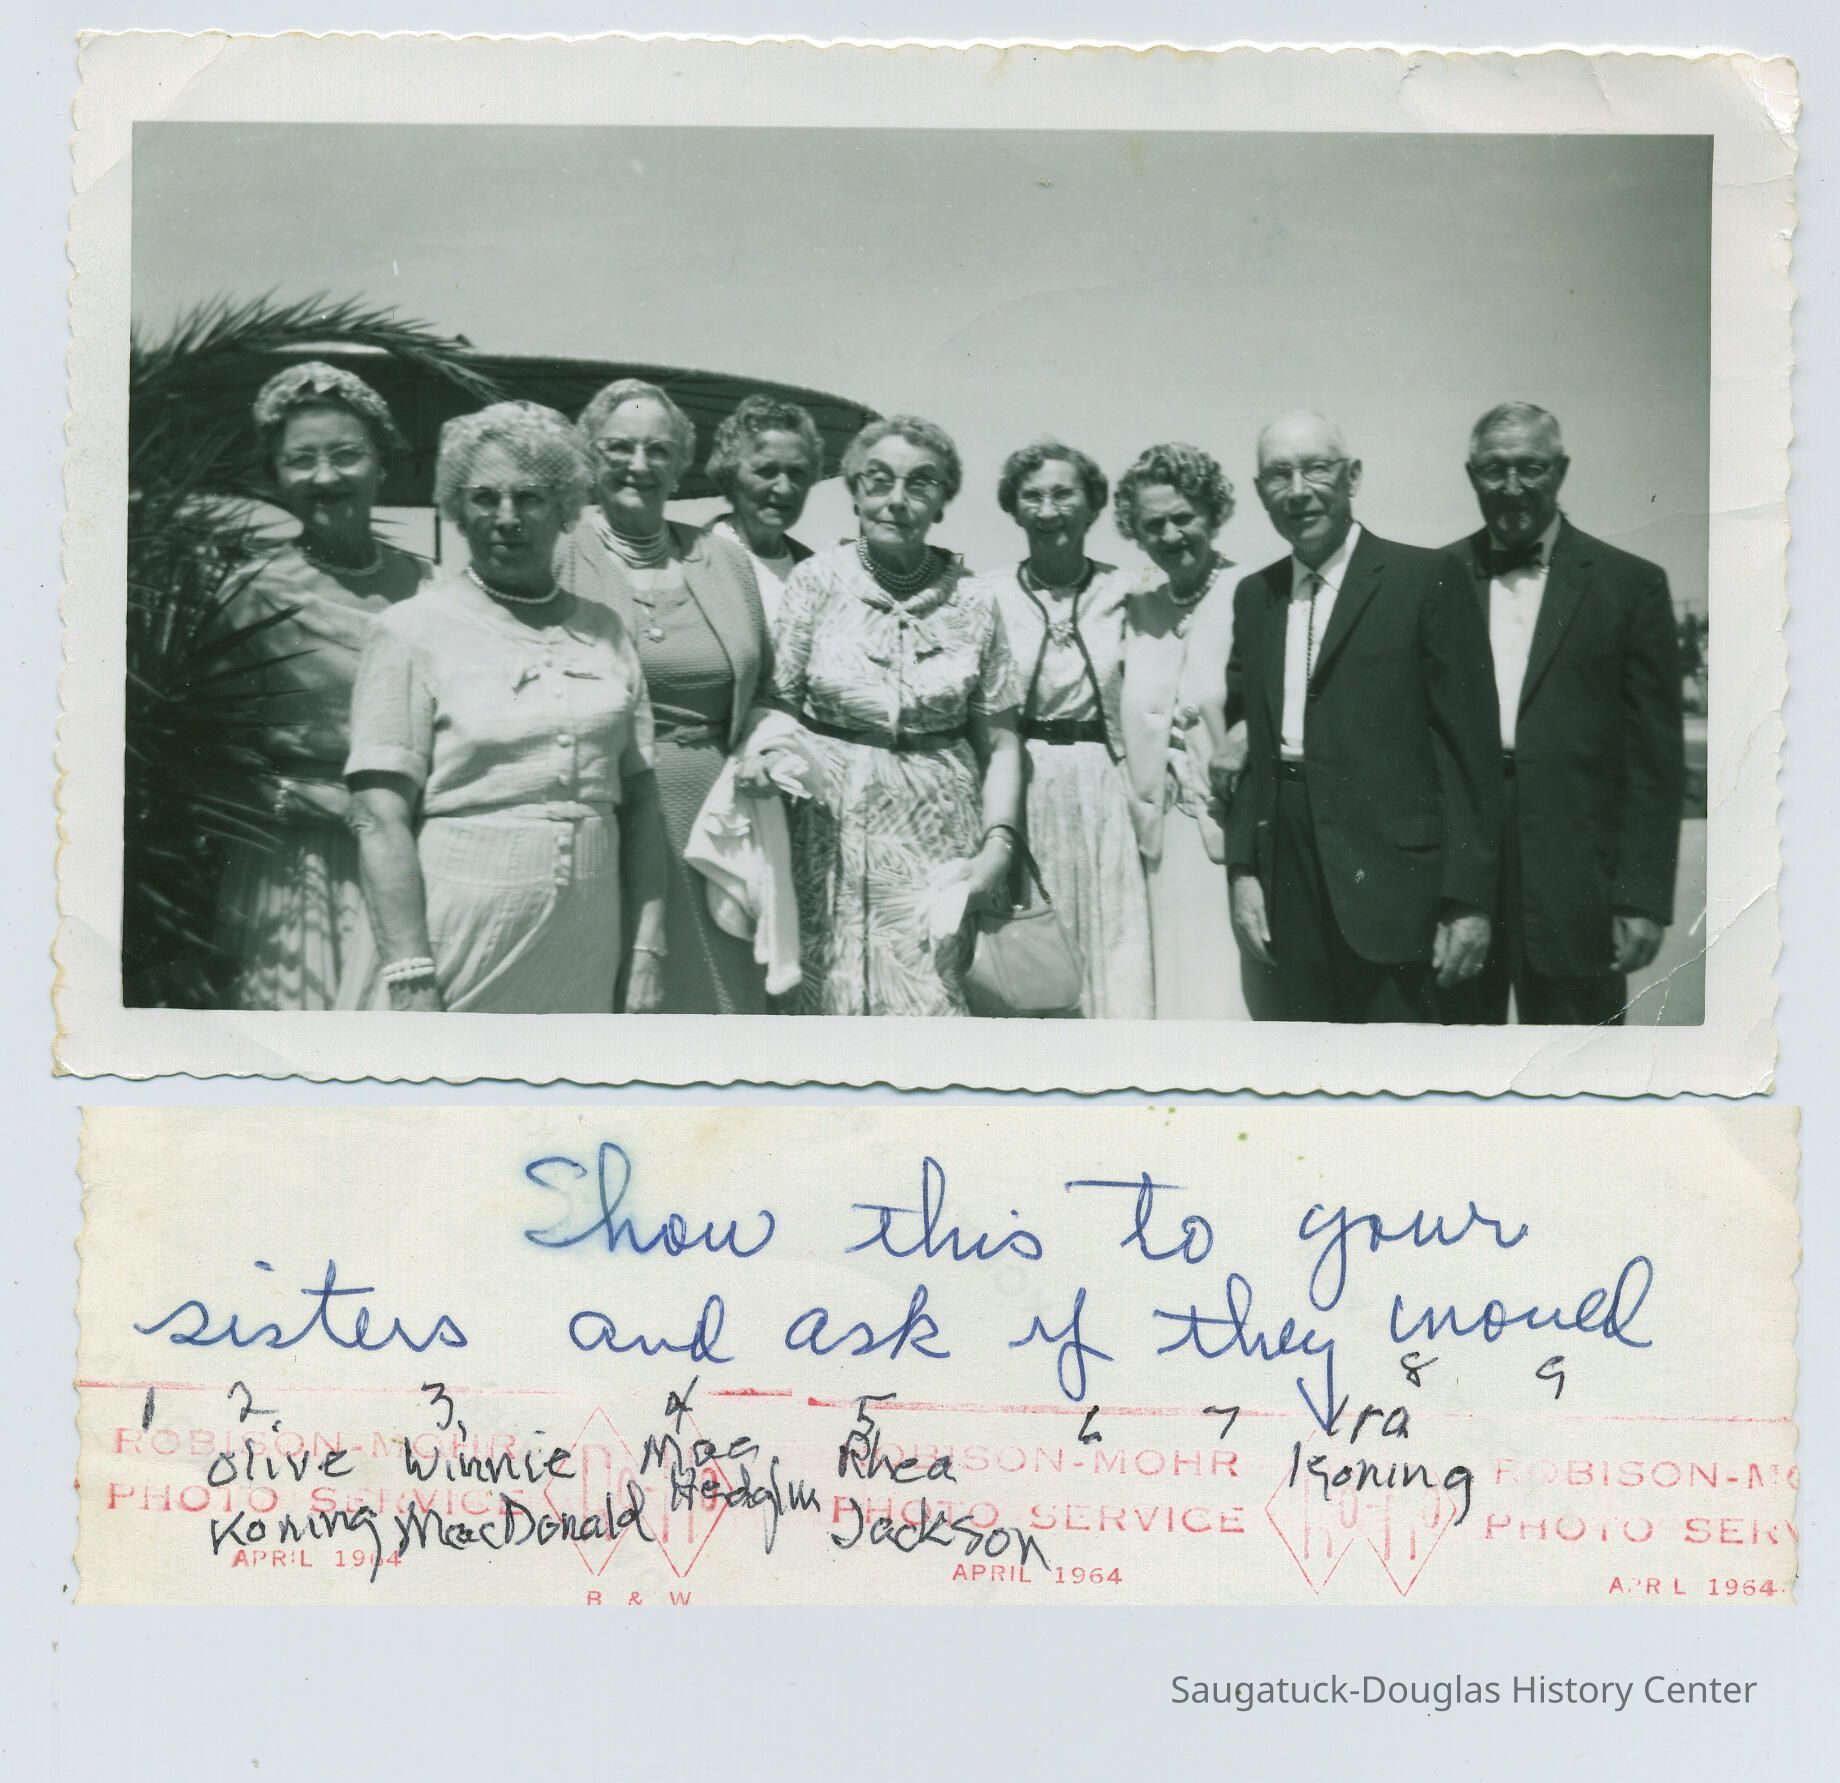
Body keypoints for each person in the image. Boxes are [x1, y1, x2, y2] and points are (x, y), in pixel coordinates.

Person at [345, 401, 668, 1014]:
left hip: (588, 941)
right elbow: (377, 815)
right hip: (457, 932)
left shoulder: (605, 630)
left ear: (566, 507)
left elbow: (643, 802)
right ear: (456, 510)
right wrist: (411, 976)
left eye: (530, 498)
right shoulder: (410, 629)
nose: (507, 518)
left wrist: (647, 949)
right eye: (484, 498)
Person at [1225, 411, 1501, 1023]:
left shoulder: (1426, 578)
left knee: (1398, 1067)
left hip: (1395, 885)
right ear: (1259, 492)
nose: (1298, 491)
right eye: (1279, 475)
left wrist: (1469, 900)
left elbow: (1470, 755)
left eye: (1316, 469)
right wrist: (1242, 871)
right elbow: (1247, 755)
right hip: (1286, 880)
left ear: (1352, 476)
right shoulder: (1255, 597)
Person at [766, 414, 1024, 1015]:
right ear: (854, 490)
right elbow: (775, 710)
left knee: (931, 1003)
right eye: (878, 480)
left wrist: (998, 849)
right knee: (826, 1008)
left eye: (921, 483)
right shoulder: (814, 582)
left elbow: (1003, 744)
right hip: (826, 840)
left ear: (944, 500)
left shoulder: (975, 599)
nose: (897, 500)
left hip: (938, 842)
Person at [1440, 401, 1684, 1024]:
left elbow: (1655, 761)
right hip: (1458, 878)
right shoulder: (1433, 579)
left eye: (1531, 467)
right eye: (1494, 469)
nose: (1512, 485)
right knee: (1452, 1063)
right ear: (1471, 475)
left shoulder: (1631, 586)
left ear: (1562, 471)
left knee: (1581, 1065)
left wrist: (1642, 896)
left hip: (1578, 879)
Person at [212, 361, 431, 1010]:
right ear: (275, 476)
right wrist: (328, 808)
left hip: (422, 854)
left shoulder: (437, 589)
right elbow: (210, 757)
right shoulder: (250, 594)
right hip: (300, 867)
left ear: (382, 464)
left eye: (346, 455)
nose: (326, 476)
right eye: (301, 460)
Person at [555, 378, 773, 1014]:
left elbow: (771, 690)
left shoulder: (725, 562)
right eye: (619, 447)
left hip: (720, 830)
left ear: (681, 466)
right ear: (588, 456)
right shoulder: (558, 555)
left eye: (659, 450)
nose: (639, 465)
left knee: (722, 1013)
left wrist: (766, 743)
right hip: (610, 819)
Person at [968, 440, 1152, 1019]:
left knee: (1114, 943)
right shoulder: (986, 593)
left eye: (1063, 494)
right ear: (1014, 508)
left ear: (1093, 505)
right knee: (1028, 947)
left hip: (1104, 789)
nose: (1048, 511)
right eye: (1032, 497)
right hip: (1019, 782)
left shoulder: (1129, 590)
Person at [1114, 442, 1256, 1019]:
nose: (1170, 535)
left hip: (1234, 838)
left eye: (1183, 517)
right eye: (1153, 525)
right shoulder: (1135, 609)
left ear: (1213, 515)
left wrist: (1243, 735)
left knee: (1229, 995)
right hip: (1157, 844)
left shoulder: (1253, 591)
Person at [701, 394, 823, 626]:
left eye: (797, 473)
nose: (784, 488)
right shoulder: (693, 560)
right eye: (767, 471)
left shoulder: (816, 571)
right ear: (730, 475)